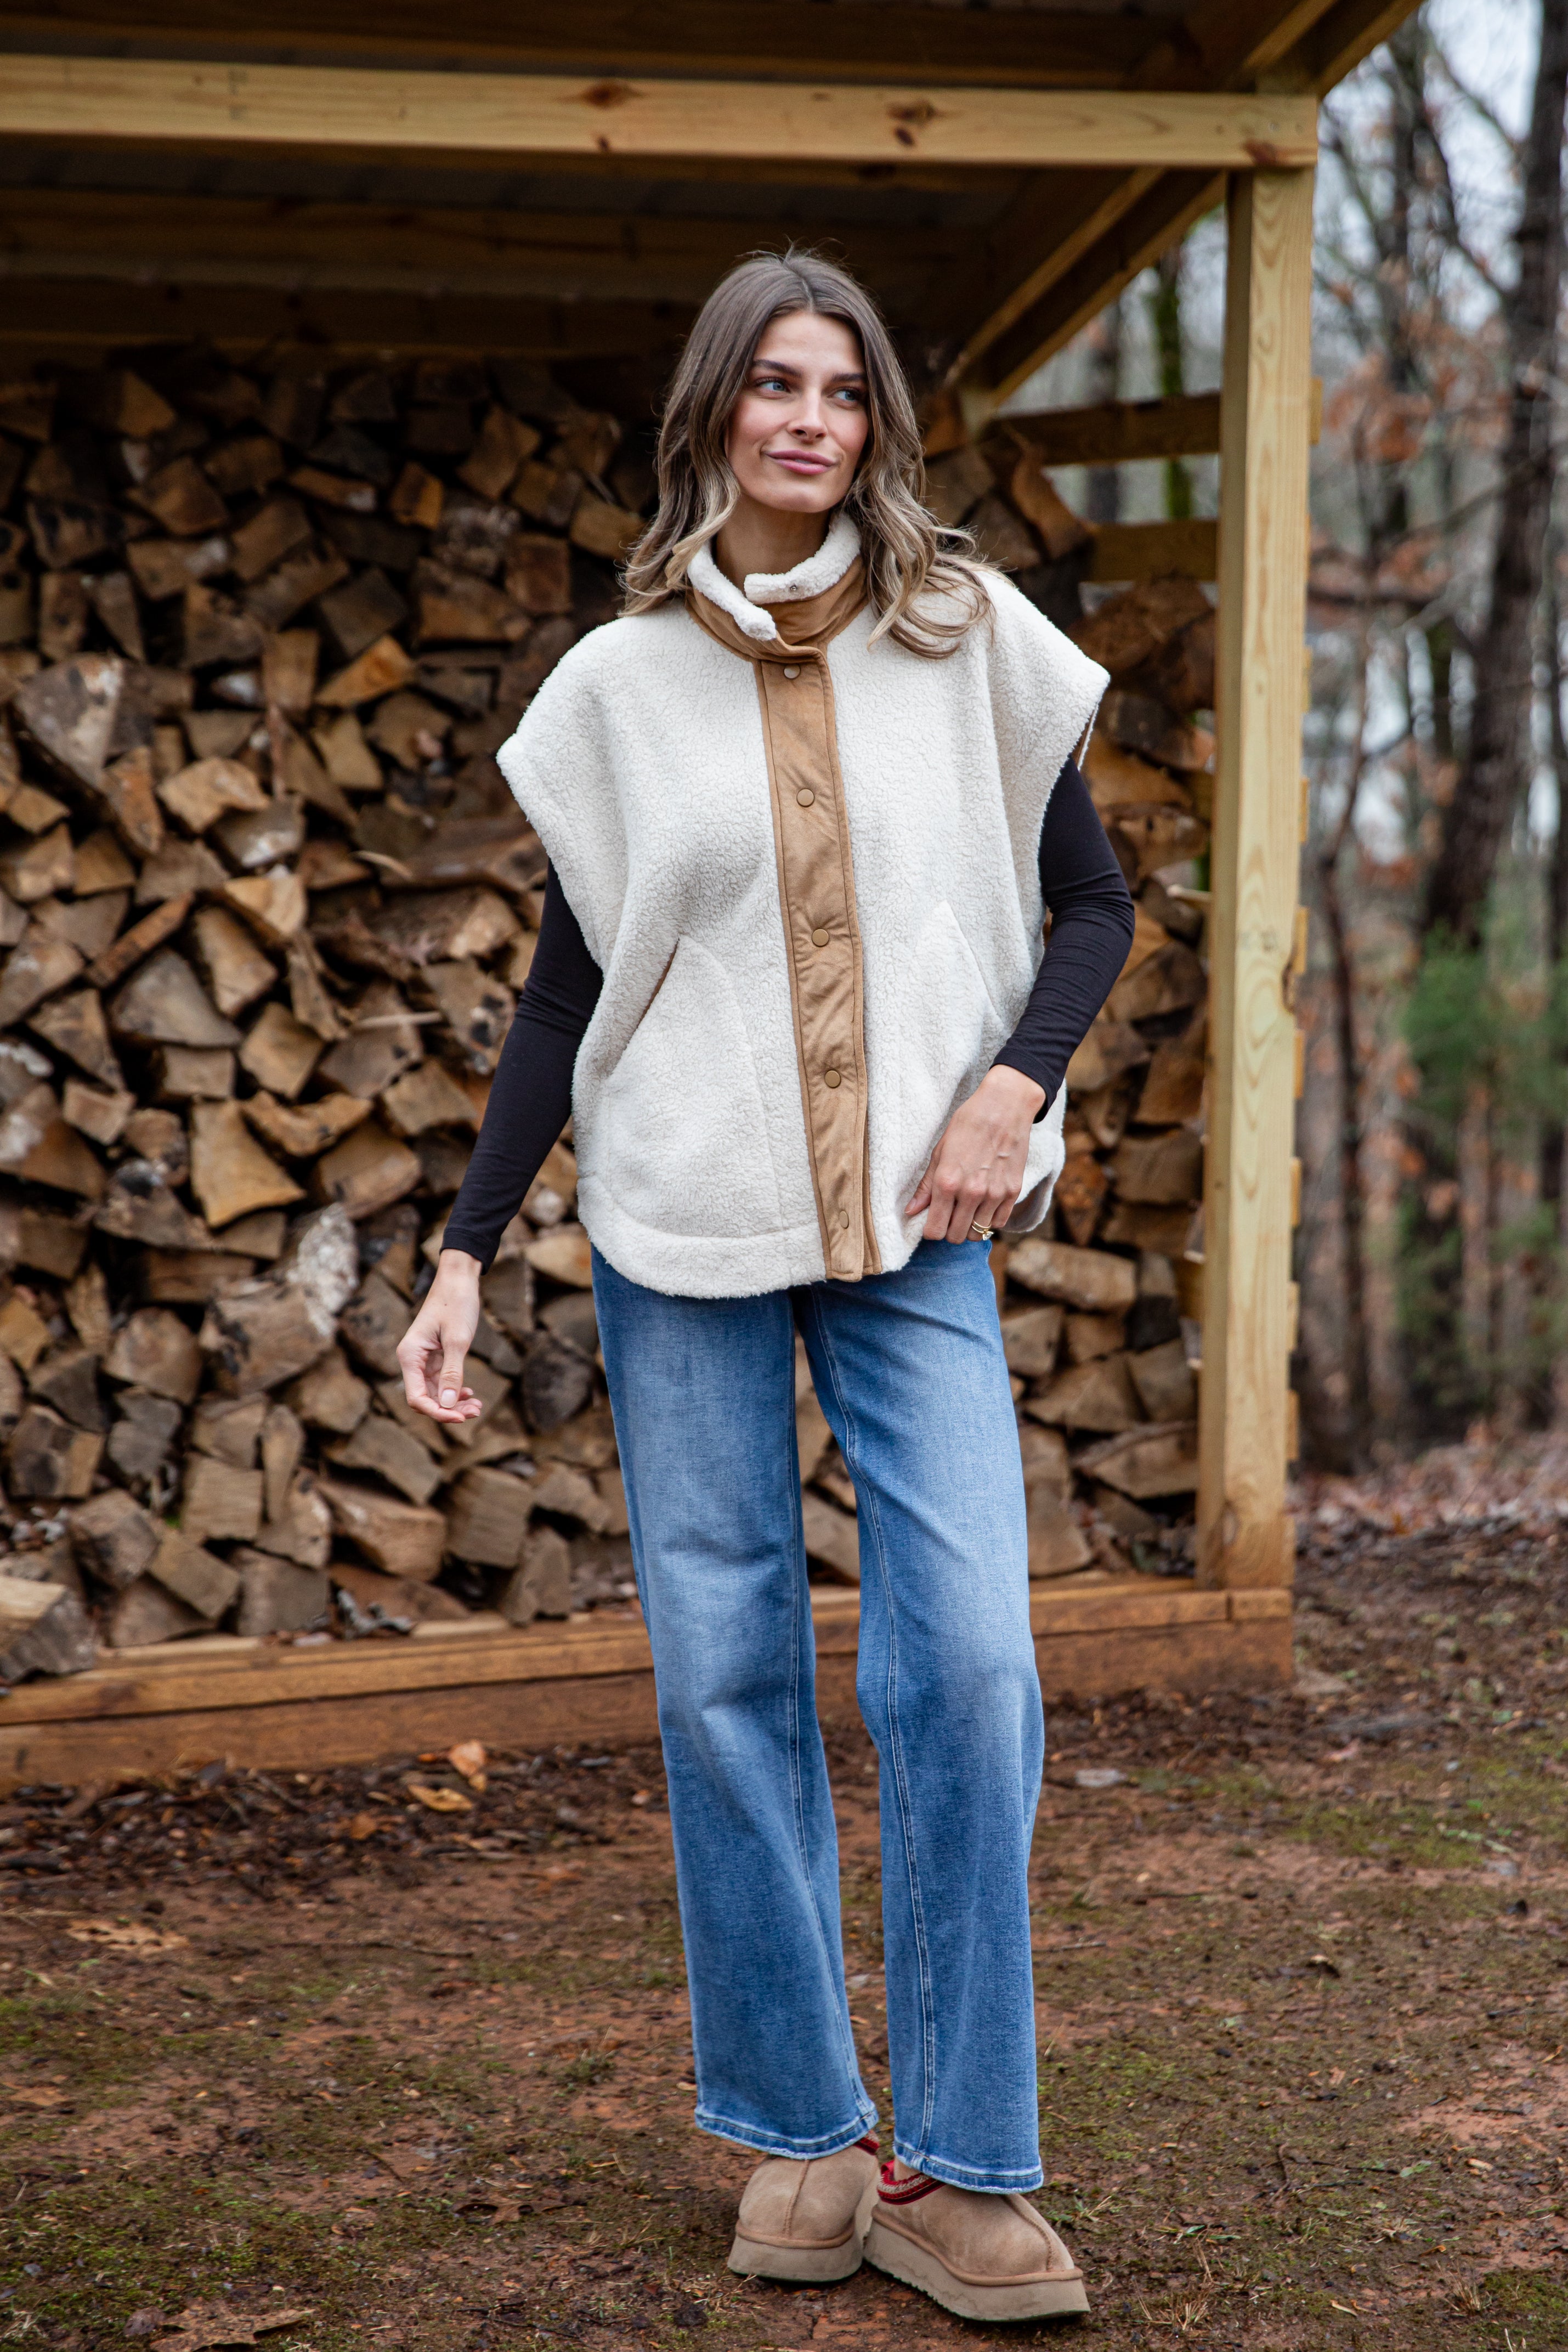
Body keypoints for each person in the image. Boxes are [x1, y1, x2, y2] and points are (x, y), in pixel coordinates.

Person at [397, 250, 1134, 2325]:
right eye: (772, 385)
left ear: (877, 423)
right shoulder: (616, 690)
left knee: (970, 1665)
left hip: (919, 1231)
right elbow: (567, 994)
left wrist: (1006, 1093)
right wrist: (463, 1247)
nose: (809, 419)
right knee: (726, 1682)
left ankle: (964, 2165)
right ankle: (804, 2139)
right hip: (681, 1233)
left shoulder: (967, 635)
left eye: (844, 389)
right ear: (714, 408)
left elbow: (1091, 907)